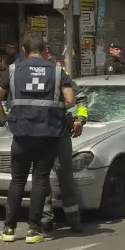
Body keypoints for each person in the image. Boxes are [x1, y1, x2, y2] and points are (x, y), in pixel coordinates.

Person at [0, 34, 76, 244]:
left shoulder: (13, 70)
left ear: (24, 50)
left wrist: (5, 122)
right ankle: (33, 230)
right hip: (47, 134)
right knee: (39, 179)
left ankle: (8, 229)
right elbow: (71, 100)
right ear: (45, 50)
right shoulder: (56, 71)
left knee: (17, 180)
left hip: (21, 134)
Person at [41, 64, 87, 234]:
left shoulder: (59, 73)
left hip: (60, 132)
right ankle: (46, 220)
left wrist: (80, 119)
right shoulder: (23, 73)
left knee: (65, 175)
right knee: (41, 177)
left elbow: (80, 97)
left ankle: (73, 218)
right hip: (38, 133)